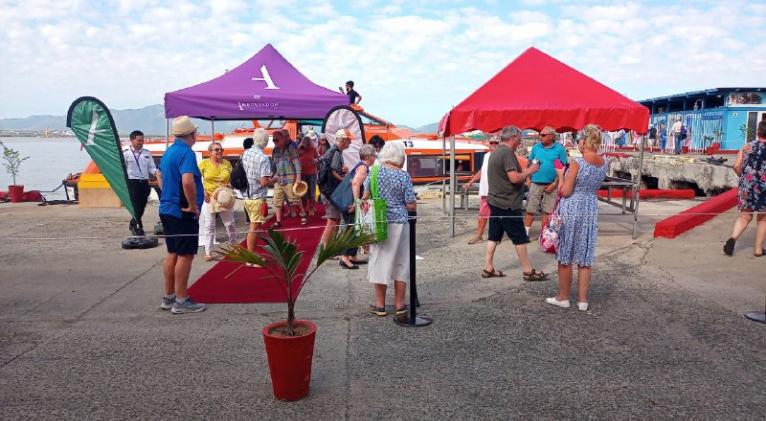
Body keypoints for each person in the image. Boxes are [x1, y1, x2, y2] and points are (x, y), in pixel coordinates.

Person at [546, 124, 608, 311]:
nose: (577, 144)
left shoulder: (577, 163)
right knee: (584, 255)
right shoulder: (603, 162)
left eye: (579, 140)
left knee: (566, 254)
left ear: (585, 141)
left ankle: (563, 297)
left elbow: (565, 191)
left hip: (572, 208)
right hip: (589, 208)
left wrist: (560, 174)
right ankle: (582, 300)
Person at [482, 126, 547, 281]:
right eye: (519, 138)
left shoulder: (496, 152)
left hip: (495, 201)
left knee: (494, 236)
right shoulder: (507, 154)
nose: (520, 141)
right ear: (513, 138)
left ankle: (488, 267)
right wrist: (531, 170)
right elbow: (514, 178)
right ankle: (528, 271)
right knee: (519, 237)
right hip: (507, 204)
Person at [158, 116, 206, 314]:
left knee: (172, 252)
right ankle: (181, 299)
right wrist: (193, 205)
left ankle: (169, 297)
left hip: (167, 208)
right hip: (182, 211)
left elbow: (159, 175)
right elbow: (188, 181)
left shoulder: (169, 151)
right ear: (192, 134)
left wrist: (167, 195)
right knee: (186, 254)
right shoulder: (186, 153)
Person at [363, 142, 416, 316]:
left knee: (380, 262)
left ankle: (380, 306)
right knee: (401, 263)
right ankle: (400, 305)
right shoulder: (404, 176)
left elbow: (365, 195)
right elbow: (410, 203)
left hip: (379, 222)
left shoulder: (374, 172)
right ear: (400, 157)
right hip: (400, 222)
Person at [724, 120, 766, 257]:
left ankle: (733, 239)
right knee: (763, 218)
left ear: (758, 131)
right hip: (764, 187)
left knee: (744, 216)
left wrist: (744, 178)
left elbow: (736, 166)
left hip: (747, 186)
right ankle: (758, 249)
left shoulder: (746, 146)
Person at [338, 144, 377, 270]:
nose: (375, 157)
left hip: (349, 200)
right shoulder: (363, 168)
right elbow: (355, 183)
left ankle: (351, 255)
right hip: (351, 202)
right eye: (374, 155)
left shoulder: (360, 166)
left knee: (355, 228)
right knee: (351, 229)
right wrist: (356, 202)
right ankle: (344, 257)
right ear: (369, 156)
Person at [524, 126, 568, 236]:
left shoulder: (559, 149)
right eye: (540, 134)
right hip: (535, 183)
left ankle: (543, 236)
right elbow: (529, 164)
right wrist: (528, 179)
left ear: (551, 137)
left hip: (551, 185)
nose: (540, 136)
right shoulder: (536, 148)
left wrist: (554, 184)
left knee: (547, 212)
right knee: (530, 210)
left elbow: (561, 169)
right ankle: (525, 234)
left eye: (543, 135)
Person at [198, 142, 237, 262]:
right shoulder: (203, 164)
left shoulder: (227, 163)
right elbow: (196, 179)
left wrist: (230, 184)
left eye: (221, 149)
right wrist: (203, 192)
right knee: (209, 225)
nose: (219, 151)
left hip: (224, 198)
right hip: (210, 197)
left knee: (229, 224)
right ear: (210, 152)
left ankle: (235, 247)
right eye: (216, 150)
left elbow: (232, 178)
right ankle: (208, 251)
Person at [242, 128, 278, 255]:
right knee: (254, 227)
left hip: (246, 195)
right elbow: (264, 182)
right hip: (257, 197)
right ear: (266, 142)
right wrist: (274, 180)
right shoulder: (263, 158)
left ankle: (263, 247)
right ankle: (251, 257)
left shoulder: (246, 153)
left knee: (255, 226)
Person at [123, 130, 160, 236]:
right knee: (136, 205)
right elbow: (123, 169)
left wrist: (158, 174)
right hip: (132, 182)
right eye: (139, 140)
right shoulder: (126, 153)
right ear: (132, 140)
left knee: (142, 205)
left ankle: (133, 222)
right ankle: (137, 226)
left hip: (144, 182)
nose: (141, 142)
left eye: (142, 140)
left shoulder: (146, 153)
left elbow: (152, 168)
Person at [463, 136, 499, 244]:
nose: (493, 144)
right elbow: (482, 171)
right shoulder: (486, 156)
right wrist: (471, 181)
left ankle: (496, 237)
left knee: (497, 215)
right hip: (485, 190)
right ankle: (479, 236)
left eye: (496, 142)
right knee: (483, 215)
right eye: (491, 142)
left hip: (497, 191)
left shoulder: (502, 156)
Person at [319, 129, 352, 249]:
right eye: (349, 140)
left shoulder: (334, 151)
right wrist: (344, 180)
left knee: (335, 219)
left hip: (328, 191)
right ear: (343, 140)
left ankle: (330, 247)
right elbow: (333, 171)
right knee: (332, 220)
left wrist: (343, 171)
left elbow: (333, 169)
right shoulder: (336, 152)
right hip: (330, 192)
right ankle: (326, 248)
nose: (350, 142)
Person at [271, 130, 307, 227]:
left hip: (290, 177)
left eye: (276, 140)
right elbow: (273, 163)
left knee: (294, 199)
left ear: (282, 139)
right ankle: (278, 221)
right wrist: (272, 174)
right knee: (277, 200)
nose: (275, 142)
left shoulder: (290, 148)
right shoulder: (274, 150)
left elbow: (297, 163)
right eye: (273, 140)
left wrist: (298, 177)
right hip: (278, 178)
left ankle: (303, 213)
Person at [298, 136, 319, 216]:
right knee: (303, 192)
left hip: (312, 173)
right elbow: (295, 158)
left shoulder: (313, 149)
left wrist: (315, 161)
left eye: (308, 142)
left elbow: (319, 158)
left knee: (312, 192)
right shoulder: (299, 149)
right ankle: (303, 208)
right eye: (305, 142)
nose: (306, 144)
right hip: (302, 173)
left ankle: (311, 208)